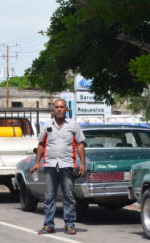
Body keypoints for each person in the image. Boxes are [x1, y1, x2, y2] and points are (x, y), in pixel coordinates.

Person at [31, 98, 86, 235]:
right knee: (49, 196)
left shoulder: (73, 125)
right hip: (50, 165)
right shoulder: (47, 125)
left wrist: (82, 163)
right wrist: (37, 162)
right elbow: (41, 145)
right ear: (53, 109)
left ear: (66, 109)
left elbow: (80, 144)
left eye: (62, 107)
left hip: (67, 165)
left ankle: (69, 224)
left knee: (69, 196)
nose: (59, 109)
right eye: (57, 107)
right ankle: (48, 225)